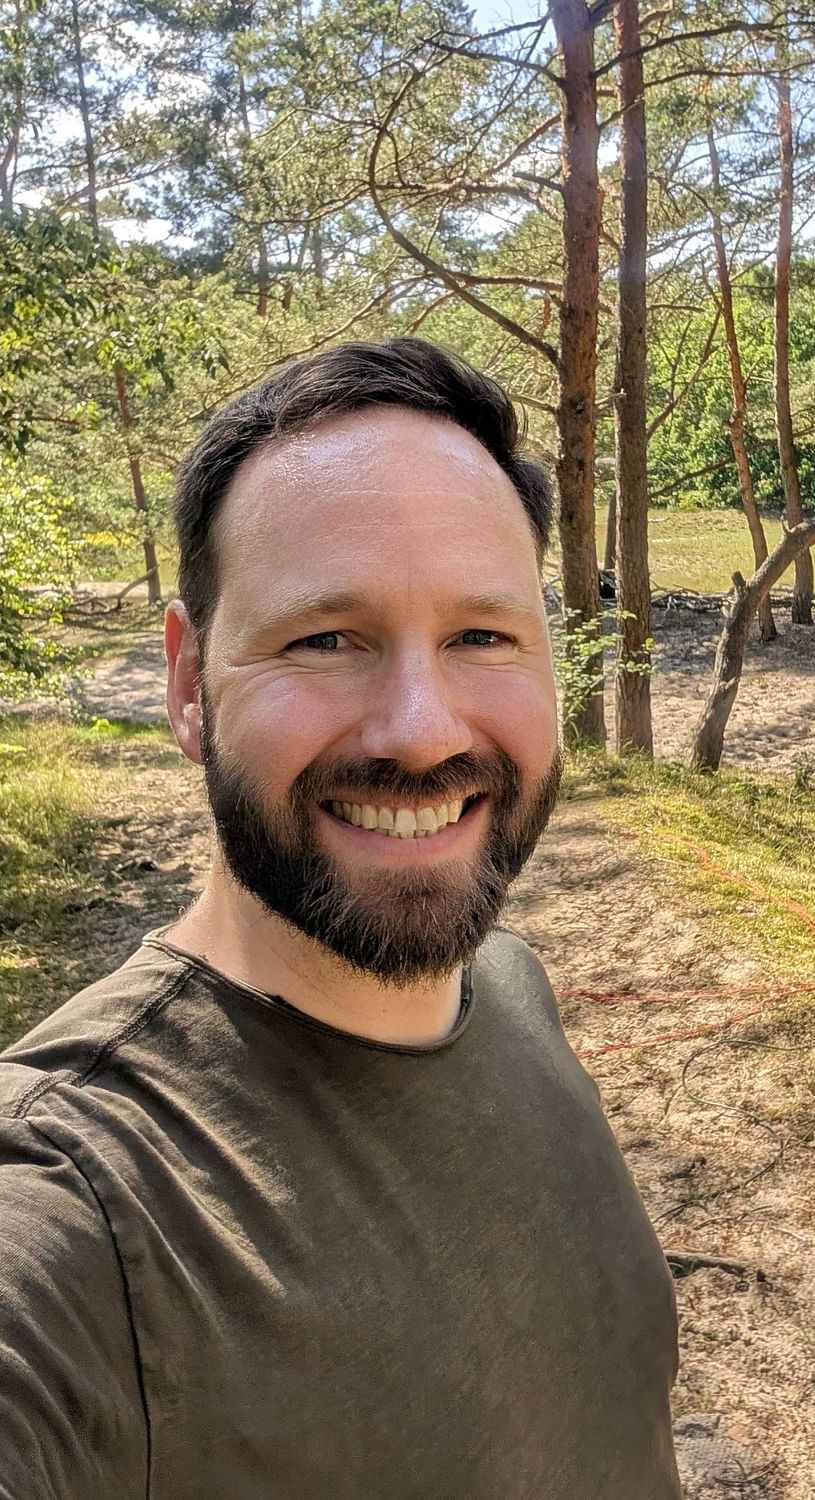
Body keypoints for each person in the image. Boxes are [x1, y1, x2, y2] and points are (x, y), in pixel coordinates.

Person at [0, 339, 682, 1498]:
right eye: (324, 640)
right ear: (188, 685)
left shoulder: (512, 985)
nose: (422, 731)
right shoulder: (79, 1199)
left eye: (483, 636)